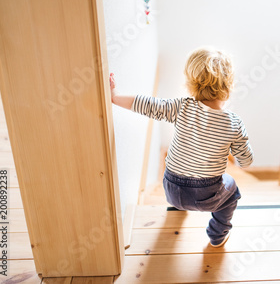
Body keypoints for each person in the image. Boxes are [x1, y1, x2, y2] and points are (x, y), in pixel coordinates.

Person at [109, 46, 254, 247]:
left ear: (191, 83)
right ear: (229, 86)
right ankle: (217, 235)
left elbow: (148, 104)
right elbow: (245, 162)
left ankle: (177, 208)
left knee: (181, 173)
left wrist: (115, 97)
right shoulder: (234, 123)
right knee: (232, 190)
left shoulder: (181, 107)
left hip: (170, 188)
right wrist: (238, 154)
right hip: (206, 197)